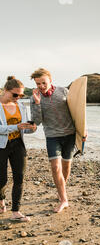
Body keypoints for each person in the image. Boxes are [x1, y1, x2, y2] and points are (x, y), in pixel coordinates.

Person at [30, 68, 85, 213]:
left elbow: (77, 112)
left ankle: (61, 191)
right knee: (55, 167)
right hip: (52, 136)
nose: (41, 86)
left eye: (43, 82)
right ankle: (63, 200)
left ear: (50, 80)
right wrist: (36, 103)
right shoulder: (34, 98)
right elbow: (37, 121)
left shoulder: (63, 91)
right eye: (38, 84)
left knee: (66, 167)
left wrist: (83, 131)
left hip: (69, 135)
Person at [0, 76, 37, 222]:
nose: (18, 98)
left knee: (19, 178)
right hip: (1, 146)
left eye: (21, 95)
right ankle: (1, 200)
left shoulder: (20, 106)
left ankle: (16, 211)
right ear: (5, 91)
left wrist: (31, 128)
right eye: (15, 95)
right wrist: (16, 127)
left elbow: (24, 130)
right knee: (1, 179)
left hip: (18, 144)